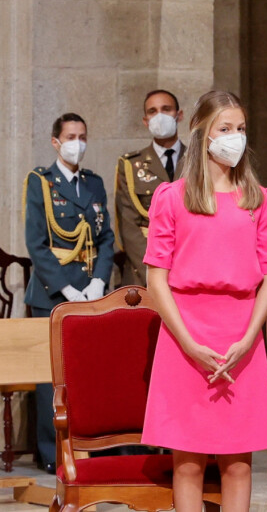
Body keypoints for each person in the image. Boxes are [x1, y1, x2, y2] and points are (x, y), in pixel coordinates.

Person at [141, 91, 267, 511]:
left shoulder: (260, 198)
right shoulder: (172, 197)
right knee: (187, 464)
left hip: (242, 337)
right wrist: (187, 342)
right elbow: (156, 278)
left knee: (239, 463)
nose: (235, 138)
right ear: (202, 135)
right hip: (185, 338)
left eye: (240, 129)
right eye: (225, 129)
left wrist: (248, 337)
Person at [23, 112, 115, 473]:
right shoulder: (40, 183)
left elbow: (106, 237)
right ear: (55, 142)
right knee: (51, 377)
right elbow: (36, 242)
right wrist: (66, 288)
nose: (77, 142)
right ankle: (52, 452)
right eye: (70, 136)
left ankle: (89, 448)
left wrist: (98, 282)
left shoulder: (93, 183)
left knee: (87, 373)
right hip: (52, 295)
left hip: (91, 293)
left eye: (82, 135)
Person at [115, 89, 186, 286]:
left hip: (190, 266)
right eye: (153, 111)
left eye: (166, 109)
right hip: (145, 272)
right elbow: (128, 227)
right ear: (145, 121)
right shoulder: (130, 165)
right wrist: (156, 272)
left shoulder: (197, 161)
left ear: (179, 115)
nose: (160, 116)